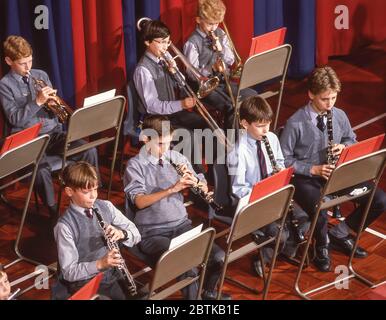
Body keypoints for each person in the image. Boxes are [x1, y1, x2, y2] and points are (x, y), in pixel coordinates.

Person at [280, 66, 386, 272]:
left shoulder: (338, 115)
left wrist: (344, 147)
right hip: (305, 178)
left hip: (335, 173)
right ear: (311, 94)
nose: (330, 104)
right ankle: (321, 246)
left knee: (379, 199)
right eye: (324, 99)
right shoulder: (295, 123)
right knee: (320, 207)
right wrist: (313, 169)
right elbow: (282, 160)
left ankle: (341, 233)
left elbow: (351, 139)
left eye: (333, 98)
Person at [124, 115, 230, 300]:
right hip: (153, 234)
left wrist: (196, 183)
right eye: (160, 144)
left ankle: (208, 293)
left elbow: (203, 185)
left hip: (182, 227)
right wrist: (172, 189)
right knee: (186, 267)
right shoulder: (135, 165)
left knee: (218, 256)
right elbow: (139, 201)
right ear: (145, 139)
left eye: (168, 143)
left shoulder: (176, 157)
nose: (165, 149)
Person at [0, 35, 99, 221]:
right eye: (22, 63)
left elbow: (57, 114)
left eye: (30, 61)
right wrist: (37, 101)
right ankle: (54, 214)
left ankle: (91, 198)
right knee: (41, 169)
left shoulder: (41, 75)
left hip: (53, 134)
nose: (28, 67)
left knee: (89, 150)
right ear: (8, 61)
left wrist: (54, 103)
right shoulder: (4, 86)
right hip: (29, 140)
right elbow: (15, 119)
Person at [227, 96, 310, 277]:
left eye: (268, 124)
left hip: (274, 195)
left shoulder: (271, 138)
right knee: (279, 233)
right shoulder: (237, 152)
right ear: (244, 123)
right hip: (253, 201)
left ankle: (283, 251)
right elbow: (238, 189)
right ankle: (263, 257)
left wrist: (279, 171)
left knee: (304, 218)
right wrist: (263, 192)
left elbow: (279, 161)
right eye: (260, 125)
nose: (265, 130)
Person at [53, 161, 141, 300]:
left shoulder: (106, 206)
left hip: (112, 276)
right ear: (69, 191)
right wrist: (100, 264)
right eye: (86, 191)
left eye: (95, 189)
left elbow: (136, 233)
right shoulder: (65, 226)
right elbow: (69, 272)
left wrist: (121, 234)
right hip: (85, 284)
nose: (93, 196)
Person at [183, 0, 256, 129]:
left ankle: (246, 134)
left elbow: (230, 60)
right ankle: (230, 142)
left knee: (251, 95)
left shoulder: (221, 34)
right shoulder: (192, 42)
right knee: (231, 106)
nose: (214, 28)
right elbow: (191, 72)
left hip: (222, 81)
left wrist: (221, 49)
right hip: (203, 88)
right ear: (198, 20)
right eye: (210, 24)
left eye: (217, 23)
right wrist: (211, 68)